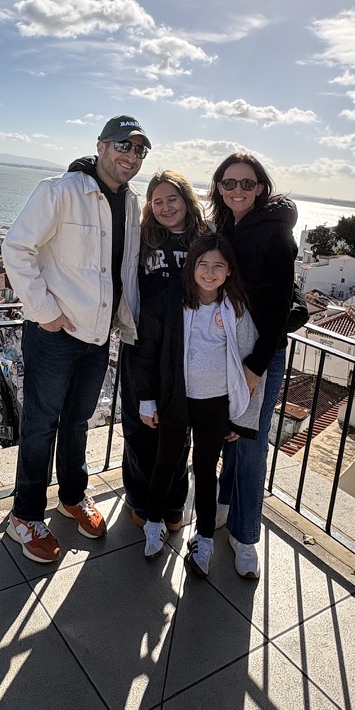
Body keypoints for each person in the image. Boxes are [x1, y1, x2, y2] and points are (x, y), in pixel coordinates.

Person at [1, 115, 151, 563]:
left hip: (98, 333)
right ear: (102, 146)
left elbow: (121, 270)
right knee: (41, 423)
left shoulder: (131, 204)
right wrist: (45, 313)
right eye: (124, 145)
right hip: (55, 333)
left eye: (140, 150)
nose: (131, 155)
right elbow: (17, 248)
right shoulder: (60, 191)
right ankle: (24, 517)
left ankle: (72, 495)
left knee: (78, 421)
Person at [131, 234, 264, 578]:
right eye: (202, 264)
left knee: (205, 471)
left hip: (215, 404)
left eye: (218, 265)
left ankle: (204, 538)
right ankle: (153, 522)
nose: (209, 272)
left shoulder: (236, 310)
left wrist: (239, 416)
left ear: (229, 271)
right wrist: (147, 399)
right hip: (176, 398)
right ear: (191, 268)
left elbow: (247, 368)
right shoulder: (168, 304)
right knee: (165, 462)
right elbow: (146, 354)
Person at [209, 152, 297, 580]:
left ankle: (245, 537)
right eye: (229, 184)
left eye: (246, 183)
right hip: (227, 349)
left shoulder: (275, 232)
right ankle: (224, 505)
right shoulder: (226, 226)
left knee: (249, 443)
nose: (237, 191)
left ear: (261, 187)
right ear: (219, 188)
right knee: (227, 432)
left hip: (260, 353)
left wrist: (256, 366)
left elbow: (281, 303)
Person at [120, 170, 208, 531]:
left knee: (177, 429)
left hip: (189, 345)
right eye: (157, 201)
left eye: (172, 199)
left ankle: (172, 505)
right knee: (140, 429)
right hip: (142, 343)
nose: (166, 207)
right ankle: (140, 499)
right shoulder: (141, 240)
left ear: (187, 200)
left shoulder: (206, 241)